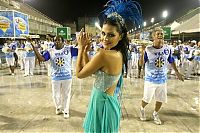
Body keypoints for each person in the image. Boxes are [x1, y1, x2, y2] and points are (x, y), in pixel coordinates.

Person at [76, 0, 142, 132]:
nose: (105, 38)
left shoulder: (104, 55)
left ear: (120, 36)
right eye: (103, 33)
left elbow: (80, 74)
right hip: (107, 102)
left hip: (102, 105)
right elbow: (92, 70)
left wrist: (80, 48)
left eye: (111, 35)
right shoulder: (118, 54)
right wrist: (85, 52)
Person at [139, 27, 184, 125]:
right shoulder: (148, 49)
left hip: (162, 80)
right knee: (146, 99)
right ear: (153, 37)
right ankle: (142, 109)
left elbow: (171, 60)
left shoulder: (167, 49)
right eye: (158, 34)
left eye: (161, 34)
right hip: (150, 80)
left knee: (160, 99)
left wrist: (177, 72)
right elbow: (141, 63)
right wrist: (142, 53)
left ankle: (155, 113)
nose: (160, 36)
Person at [31, 35, 72, 119]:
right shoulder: (50, 51)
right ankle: (58, 107)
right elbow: (42, 59)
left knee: (66, 95)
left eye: (59, 40)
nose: (57, 42)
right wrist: (35, 49)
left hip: (67, 77)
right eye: (55, 40)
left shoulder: (69, 49)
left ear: (63, 41)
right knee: (55, 95)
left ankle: (66, 110)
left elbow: (81, 50)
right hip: (55, 77)